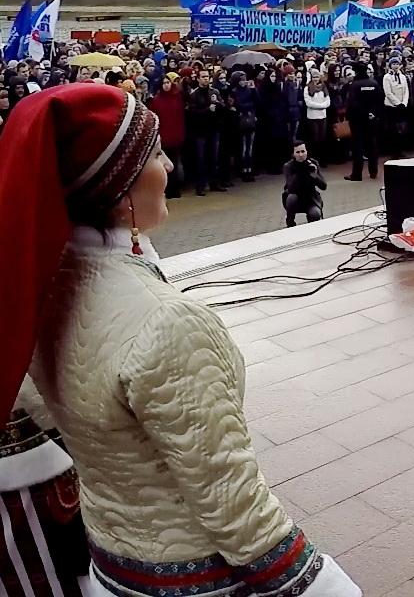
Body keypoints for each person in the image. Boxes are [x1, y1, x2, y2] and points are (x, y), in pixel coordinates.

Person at [3, 83, 362, 595]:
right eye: (154, 154)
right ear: (118, 186)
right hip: (196, 575)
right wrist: (316, 583)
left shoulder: (42, 283)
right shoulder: (168, 323)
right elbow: (228, 494)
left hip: (112, 562)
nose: (169, 166)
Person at [345, 62, 383, 182]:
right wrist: (373, 113)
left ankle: (357, 174)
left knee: (358, 146)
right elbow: (380, 99)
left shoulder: (354, 85)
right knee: (372, 144)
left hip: (358, 120)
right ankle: (373, 171)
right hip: (372, 119)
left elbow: (353, 103)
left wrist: (365, 113)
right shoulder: (374, 83)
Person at [282, 141, 327, 226]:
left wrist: (315, 176)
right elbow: (291, 188)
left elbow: (324, 186)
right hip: (295, 198)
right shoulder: (288, 166)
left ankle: (311, 226)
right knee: (291, 197)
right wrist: (300, 172)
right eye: (297, 152)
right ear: (293, 154)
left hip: (310, 198)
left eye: (303, 151)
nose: (301, 155)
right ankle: (290, 221)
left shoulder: (313, 163)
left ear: (307, 152)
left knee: (315, 214)